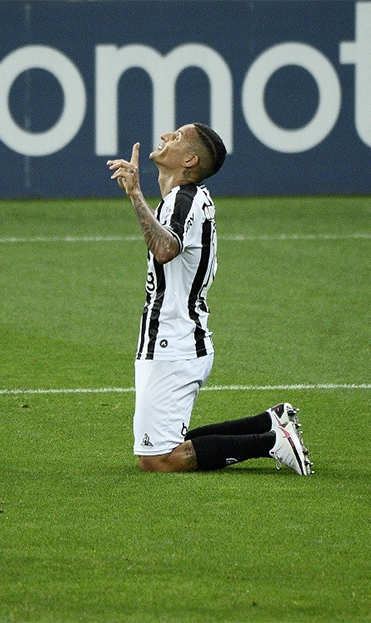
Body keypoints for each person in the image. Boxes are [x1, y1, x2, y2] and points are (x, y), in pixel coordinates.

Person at [107, 123, 313, 475]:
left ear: (189, 160)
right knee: (164, 446)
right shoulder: (185, 199)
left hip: (173, 341)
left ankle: (272, 442)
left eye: (176, 137)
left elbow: (165, 249)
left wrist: (135, 195)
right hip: (176, 337)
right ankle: (269, 423)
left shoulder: (184, 201)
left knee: (157, 460)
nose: (165, 137)